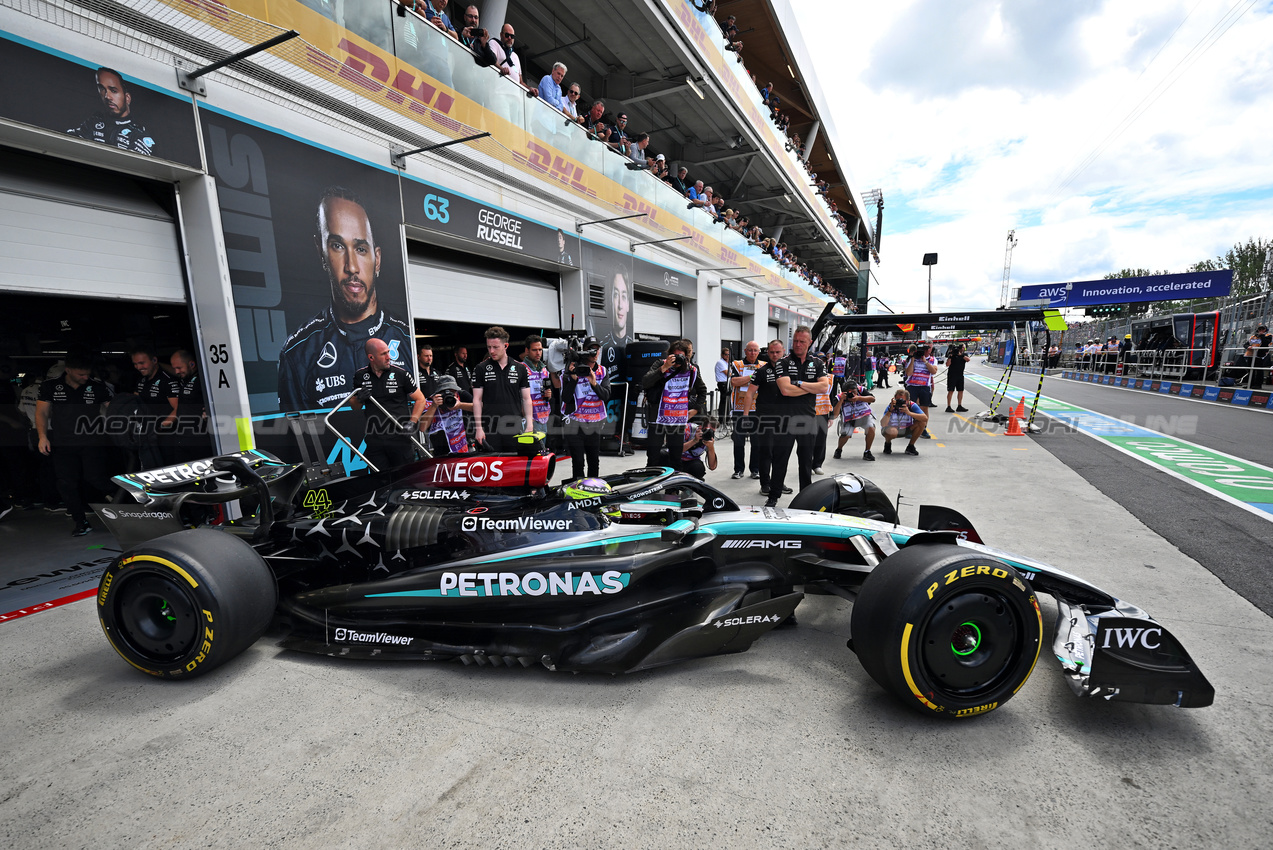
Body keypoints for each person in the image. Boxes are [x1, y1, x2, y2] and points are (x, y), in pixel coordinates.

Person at [277, 187, 412, 412]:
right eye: (338, 246)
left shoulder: (406, 337)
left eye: (360, 248)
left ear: (376, 259)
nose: (351, 267)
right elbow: (297, 435)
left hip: (394, 446)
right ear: (321, 253)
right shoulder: (298, 353)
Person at [35, 355, 116, 536]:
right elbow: (41, 412)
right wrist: (42, 437)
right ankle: (80, 522)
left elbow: (115, 409)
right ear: (68, 370)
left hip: (92, 442)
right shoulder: (50, 386)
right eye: (80, 374)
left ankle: (128, 502)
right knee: (66, 483)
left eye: (87, 374)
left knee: (96, 478)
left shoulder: (97, 386)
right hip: (63, 444)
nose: (85, 378)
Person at [773, 326, 831, 497]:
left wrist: (798, 383)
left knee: (806, 462)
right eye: (795, 341)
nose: (797, 344)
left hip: (807, 419)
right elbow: (785, 390)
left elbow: (824, 386)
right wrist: (811, 387)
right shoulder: (782, 362)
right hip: (785, 420)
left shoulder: (818, 363)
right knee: (779, 461)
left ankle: (805, 497)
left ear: (810, 343)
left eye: (802, 341)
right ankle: (774, 496)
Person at [354, 338, 428, 471]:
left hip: (400, 438)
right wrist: (359, 399)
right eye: (384, 354)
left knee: (404, 478)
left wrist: (412, 422)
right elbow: (355, 406)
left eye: (388, 352)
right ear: (371, 357)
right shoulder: (361, 376)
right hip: (375, 439)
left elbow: (421, 399)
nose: (389, 357)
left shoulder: (401, 374)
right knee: (380, 481)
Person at [641, 339, 705, 472]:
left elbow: (702, 390)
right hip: (657, 418)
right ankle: (651, 486)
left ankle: (673, 489)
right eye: (675, 356)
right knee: (653, 456)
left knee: (676, 457)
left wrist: (695, 410)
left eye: (681, 356)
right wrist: (664, 368)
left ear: (687, 356)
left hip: (678, 420)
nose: (678, 360)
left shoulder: (692, 370)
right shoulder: (660, 364)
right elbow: (645, 382)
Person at [67, 67, 157, 156]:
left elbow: (129, 166)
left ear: (127, 98)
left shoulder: (139, 135)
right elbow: (68, 145)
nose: (107, 96)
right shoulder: (94, 122)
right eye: (102, 89)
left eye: (113, 91)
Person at [472, 326, 533, 452]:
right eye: (489, 347)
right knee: (492, 466)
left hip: (513, 425)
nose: (491, 351)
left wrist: (530, 424)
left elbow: (527, 398)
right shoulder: (481, 368)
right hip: (490, 426)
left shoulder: (520, 368)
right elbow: (477, 400)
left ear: (506, 346)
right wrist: (478, 428)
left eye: (495, 347)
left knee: (513, 467)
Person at [558, 337, 611, 480]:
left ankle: (593, 491)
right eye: (590, 349)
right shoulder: (571, 369)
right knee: (578, 461)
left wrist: (594, 383)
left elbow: (606, 396)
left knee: (593, 460)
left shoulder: (602, 371)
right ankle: (578, 492)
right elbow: (566, 398)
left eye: (596, 349)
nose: (594, 353)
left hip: (594, 423)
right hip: (575, 423)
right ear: (584, 351)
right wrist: (573, 379)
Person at [749, 339, 788, 504]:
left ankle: (777, 483)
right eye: (771, 352)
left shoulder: (789, 370)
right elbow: (750, 393)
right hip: (764, 417)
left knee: (781, 453)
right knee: (766, 452)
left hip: (785, 417)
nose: (774, 355)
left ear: (783, 351)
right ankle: (765, 483)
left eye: (777, 352)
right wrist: (745, 416)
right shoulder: (761, 371)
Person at [129, 347, 178, 470]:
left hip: (167, 436)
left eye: (142, 363)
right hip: (148, 436)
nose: (139, 367)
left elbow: (178, 409)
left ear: (154, 360)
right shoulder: (141, 381)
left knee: (169, 470)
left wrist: (160, 427)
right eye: (135, 364)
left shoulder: (167, 380)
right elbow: (135, 404)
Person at [726, 341, 763, 480]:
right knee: (739, 440)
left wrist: (745, 380)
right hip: (739, 408)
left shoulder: (763, 365)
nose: (753, 353)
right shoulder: (737, 364)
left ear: (758, 352)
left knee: (757, 441)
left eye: (755, 350)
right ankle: (738, 470)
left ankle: (755, 469)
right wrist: (754, 377)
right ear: (745, 351)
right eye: (750, 350)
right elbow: (734, 382)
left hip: (757, 408)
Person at [168, 349, 209, 463]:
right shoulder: (184, 378)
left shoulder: (203, 379)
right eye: (174, 368)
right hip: (181, 438)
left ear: (191, 364)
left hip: (199, 440)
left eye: (179, 368)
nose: (176, 371)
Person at [832, 380, 876, 461]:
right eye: (850, 392)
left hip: (864, 416)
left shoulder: (861, 390)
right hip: (849, 419)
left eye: (854, 391)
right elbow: (834, 415)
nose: (852, 394)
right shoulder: (838, 397)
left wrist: (859, 398)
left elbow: (872, 399)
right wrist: (841, 401)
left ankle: (867, 451)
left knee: (871, 428)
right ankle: (839, 449)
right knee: (846, 435)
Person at [903, 342, 937, 438]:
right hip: (912, 386)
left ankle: (923, 428)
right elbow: (909, 373)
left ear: (930, 350)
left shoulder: (932, 359)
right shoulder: (912, 359)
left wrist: (925, 361)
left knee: (924, 408)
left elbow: (933, 371)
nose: (925, 351)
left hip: (925, 386)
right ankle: (909, 428)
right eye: (924, 349)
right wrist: (913, 359)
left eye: (928, 349)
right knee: (910, 407)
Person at [521, 334, 553, 434]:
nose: (538, 353)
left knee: (542, 449)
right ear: (527, 351)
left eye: (540, 350)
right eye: (534, 350)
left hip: (544, 417)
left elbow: (546, 392)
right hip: (529, 420)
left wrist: (549, 395)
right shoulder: (521, 369)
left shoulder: (544, 369)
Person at [880, 389, 928, 457]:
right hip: (891, 430)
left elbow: (925, 418)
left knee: (921, 423)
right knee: (892, 431)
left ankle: (911, 446)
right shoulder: (891, 406)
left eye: (902, 400)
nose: (899, 402)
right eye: (897, 400)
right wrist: (890, 410)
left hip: (906, 429)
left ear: (908, 400)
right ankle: (888, 443)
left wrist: (909, 412)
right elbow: (883, 424)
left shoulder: (912, 405)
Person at [944, 343, 970, 412]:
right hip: (952, 375)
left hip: (960, 375)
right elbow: (947, 364)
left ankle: (959, 405)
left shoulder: (964, 355)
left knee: (961, 390)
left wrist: (960, 355)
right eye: (963, 347)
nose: (964, 349)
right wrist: (951, 356)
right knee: (951, 390)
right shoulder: (952, 355)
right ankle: (948, 406)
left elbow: (968, 359)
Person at [714, 347, 731, 420]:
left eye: (728, 355)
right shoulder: (720, 362)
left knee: (728, 401)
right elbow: (728, 373)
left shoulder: (728, 363)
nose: (727, 356)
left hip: (727, 382)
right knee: (724, 401)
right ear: (722, 355)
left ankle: (727, 417)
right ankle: (722, 418)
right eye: (726, 354)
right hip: (722, 383)